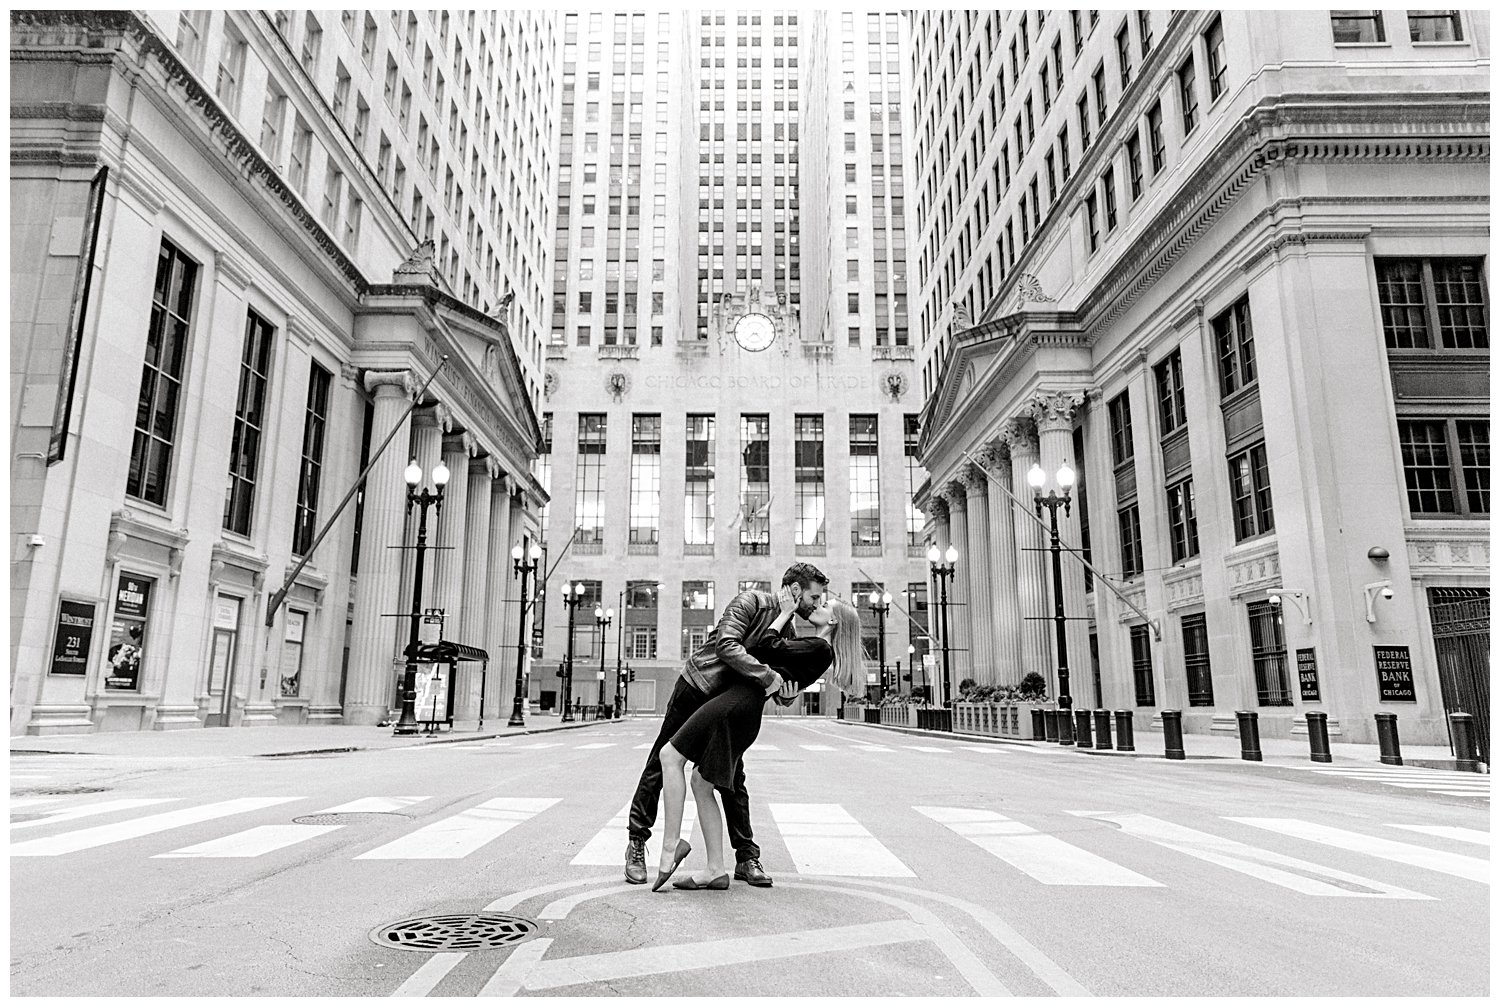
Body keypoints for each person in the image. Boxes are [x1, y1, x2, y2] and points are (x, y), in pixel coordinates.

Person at [623, 563, 829, 887]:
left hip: (728, 704)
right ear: (794, 590)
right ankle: (637, 842)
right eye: (813, 597)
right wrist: (769, 676)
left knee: (733, 776)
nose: (815, 604)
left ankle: (746, 857)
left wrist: (786, 694)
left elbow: (773, 679)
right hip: (698, 686)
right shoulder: (750, 602)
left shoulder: (785, 630)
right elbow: (727, 646)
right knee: (661, 762)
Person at [652, 592, 863, 891]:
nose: (817, 605)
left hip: (740, 703)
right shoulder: (814, 647)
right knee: (701, 782)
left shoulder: (819, 647)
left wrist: (786, 612)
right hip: (743, 705)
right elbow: (775, 669)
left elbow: (765, 646)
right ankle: (714, 869)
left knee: (669, 756)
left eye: (824, 605)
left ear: (833, 621)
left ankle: (671, 847)